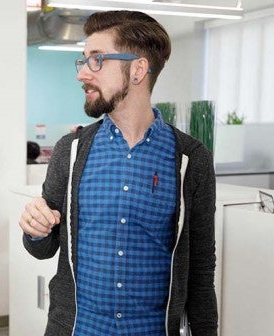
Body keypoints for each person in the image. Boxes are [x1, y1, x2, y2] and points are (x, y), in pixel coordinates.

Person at [19, 10, 217, 336]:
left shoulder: (190, 159)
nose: (82, 73)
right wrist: (35, 230)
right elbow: (43, 247)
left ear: (138, 69)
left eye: (96, 60)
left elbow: (200, 268)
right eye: (82, 60)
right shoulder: (69, 152)